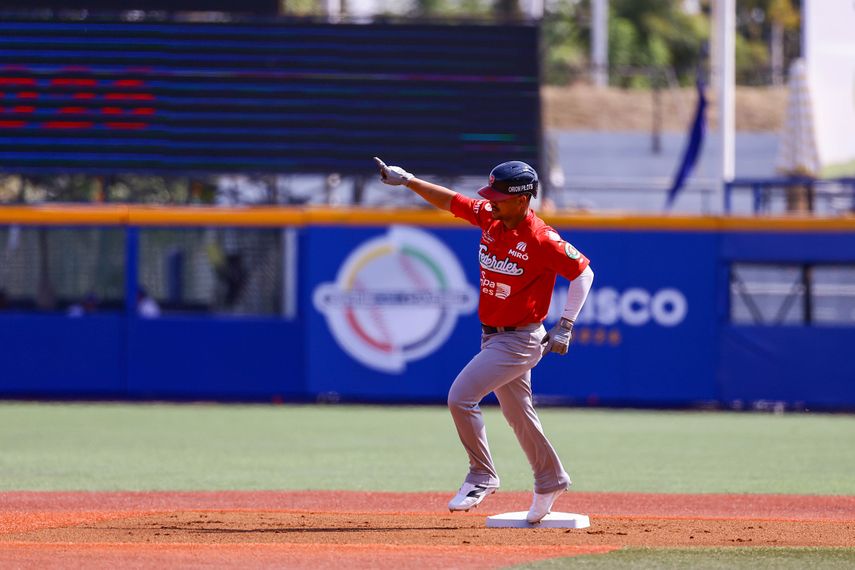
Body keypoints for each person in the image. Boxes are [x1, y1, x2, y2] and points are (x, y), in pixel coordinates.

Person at [373, 157, 594, 524]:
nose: (491, 202)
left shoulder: (541, 237)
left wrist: (566, 325)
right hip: (493, 336)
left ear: (522, 200)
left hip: (520, 340)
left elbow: (583, 273)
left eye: (500, 197)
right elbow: (451, 201)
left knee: (461, 397)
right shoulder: (491, 218)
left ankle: (482, 474)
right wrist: (410, 179)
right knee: (518, 413)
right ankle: (551, 479)